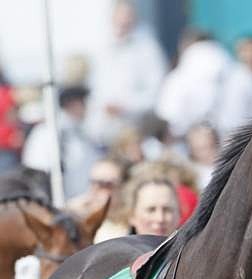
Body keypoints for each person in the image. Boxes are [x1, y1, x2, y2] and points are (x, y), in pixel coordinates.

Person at [88, 0, 167, 146]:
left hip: (136, 129)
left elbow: (156, 91)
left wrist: (125, 106)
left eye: (128, 16)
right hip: (104, 130)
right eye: (120, 16)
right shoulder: (100, 46)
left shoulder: (147, 48)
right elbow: (95, 88)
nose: (124, 21)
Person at [22, 85, 100, 199]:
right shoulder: (47, 132)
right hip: (57, 203)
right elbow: (36, 171)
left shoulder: (82, 133)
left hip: (81, 201)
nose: (86, 108)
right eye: (83, 103)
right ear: (73, 104)